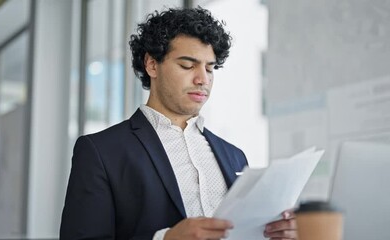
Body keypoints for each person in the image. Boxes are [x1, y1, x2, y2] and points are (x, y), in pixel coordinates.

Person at [60, 7, 297, 240]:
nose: (202, 79)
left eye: (210, 68)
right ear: (152, 65)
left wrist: (274, 234)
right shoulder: (101, 151)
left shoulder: (235, 156)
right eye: (187, 65)